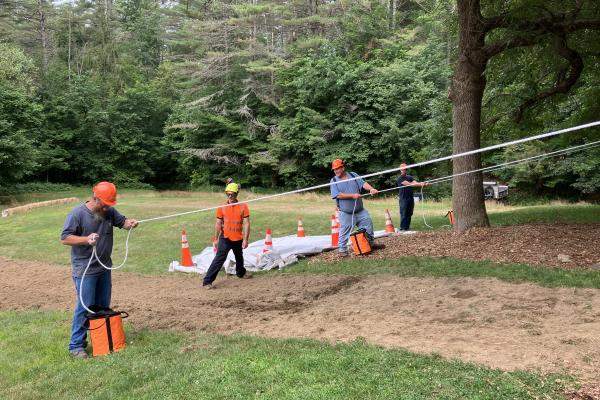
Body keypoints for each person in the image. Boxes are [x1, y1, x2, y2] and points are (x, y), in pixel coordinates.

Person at [60, 181, 138, 359]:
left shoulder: (108, 211)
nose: (107, 208)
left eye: (110, 205)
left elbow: (122, 222)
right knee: (85, 307)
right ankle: (76, 346)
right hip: (85, 269)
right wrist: (86, 239)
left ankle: (101, 339)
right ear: (95, 198)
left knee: (102, 307)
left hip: (104, 267)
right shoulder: (77, 214)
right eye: (105, 204)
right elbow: (65, 238)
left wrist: (130, 223)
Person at [203, 179, 252, 289]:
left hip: (238, 238)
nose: (230, 196)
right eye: (228, 194)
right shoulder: (222, 207)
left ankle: (241, 273)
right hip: (225, 238)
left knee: (239, 256)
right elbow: (218, 223)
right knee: (219, 258)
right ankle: (207, 281)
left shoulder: (243, 206)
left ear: (236, 194)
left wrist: (245, 239)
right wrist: (215, 239)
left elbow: (247, 223)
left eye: (232, 194)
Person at [330, 159, 383, 256]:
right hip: (346, 213)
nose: (336, 171)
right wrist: (352, 195)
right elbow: (337, 195)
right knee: (344, 232)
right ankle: (342, 250)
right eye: (334, 169)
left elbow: (363, 184)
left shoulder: (353, 175)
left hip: (360, 211)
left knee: (368, 226)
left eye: (338, 168)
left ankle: (370, 244)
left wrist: (371, 189)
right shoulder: (333, 181)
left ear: (343, 167)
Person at [397, 163, 429, 231]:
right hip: (403, 198)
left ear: (406, 169)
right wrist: (420, 184)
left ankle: (407, 227)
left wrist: (423, 184)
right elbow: (409, 184)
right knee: (404, 213)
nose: (403, 170)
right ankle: (402, 228)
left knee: (410, 212)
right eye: (402, 169)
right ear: (400, 170)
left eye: (404, 169)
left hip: (410, 197)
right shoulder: (400, 178)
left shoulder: (409, 177)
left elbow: (415, 182)